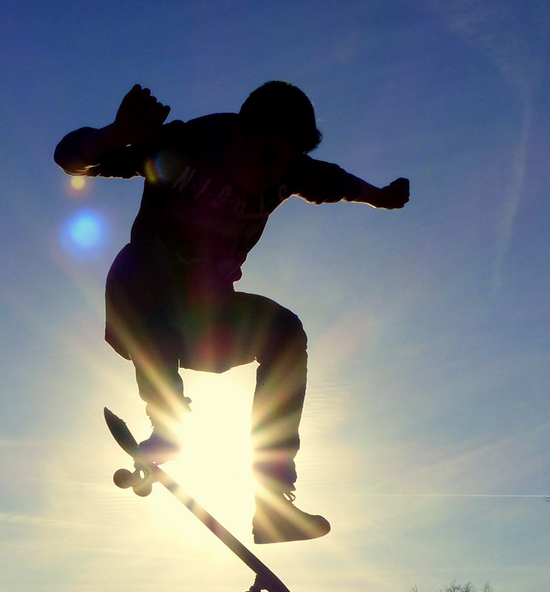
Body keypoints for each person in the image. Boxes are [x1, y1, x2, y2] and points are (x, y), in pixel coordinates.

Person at [54, 82, 409, 543]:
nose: (269, 177)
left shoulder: (287, 171)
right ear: (239, 133)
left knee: (284, 330)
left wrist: (378, 195)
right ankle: (168, 426)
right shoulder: (183, 147)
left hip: (207, 325)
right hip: (142, 311)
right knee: (143, 259)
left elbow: (334, 182)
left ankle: (272, 500)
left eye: (283, 165)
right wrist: (117, 132)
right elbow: (71, 158)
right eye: (264, 158)